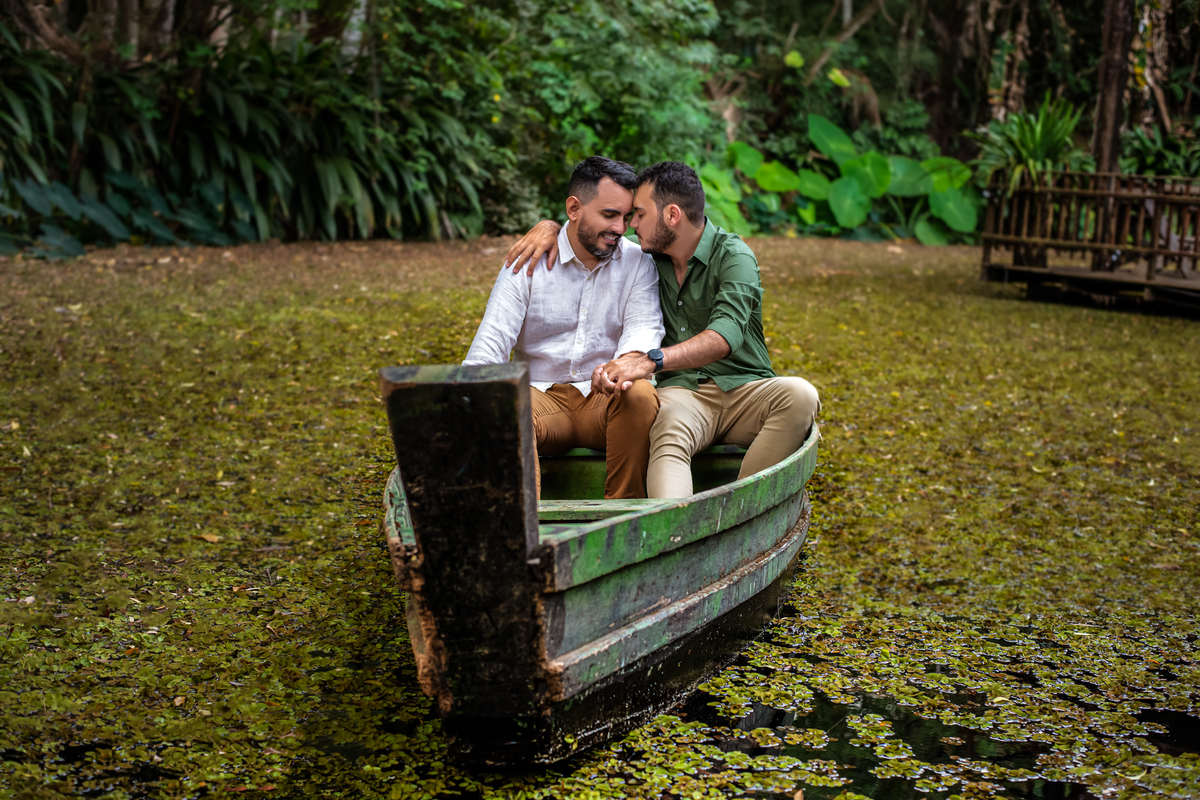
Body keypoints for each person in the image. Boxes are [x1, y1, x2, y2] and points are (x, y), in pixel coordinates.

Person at [504, 161, 819, 499]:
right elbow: (587, 232)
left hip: (744, 389)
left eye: (639, 214)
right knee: (666, 429)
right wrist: (550, 228)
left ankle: (743, 510)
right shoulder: (646, 258)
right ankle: (673, 524)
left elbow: (725, 335)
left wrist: (650, 360)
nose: (630, 225)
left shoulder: (734, 256)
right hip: (681, 395)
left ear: (672, 215)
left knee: (801, 396)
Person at [464, 156, 664, 499]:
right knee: (503, 405)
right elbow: (490, 344)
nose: (620, 228)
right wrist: (464, 400)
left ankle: (623, 515)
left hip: (603, 399)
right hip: (538, 399)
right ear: (574, 208)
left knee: (640, 393)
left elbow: (642, 330)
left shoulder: (637, 263)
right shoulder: (529, 260)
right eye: (609, 215)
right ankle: (524, 524)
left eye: (625, 217)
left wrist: (619, 369)